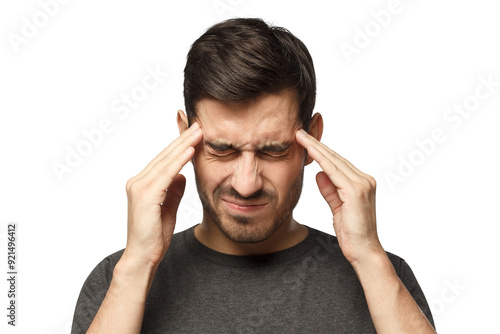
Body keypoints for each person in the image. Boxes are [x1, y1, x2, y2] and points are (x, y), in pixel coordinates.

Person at [71, 18, 436, 333]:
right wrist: (137, 265)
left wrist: (369, 258)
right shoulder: (117, 279)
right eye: (222, 149)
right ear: (185, 137)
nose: (246, 184)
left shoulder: (384, 277)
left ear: (313, 140)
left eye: (273, 150)